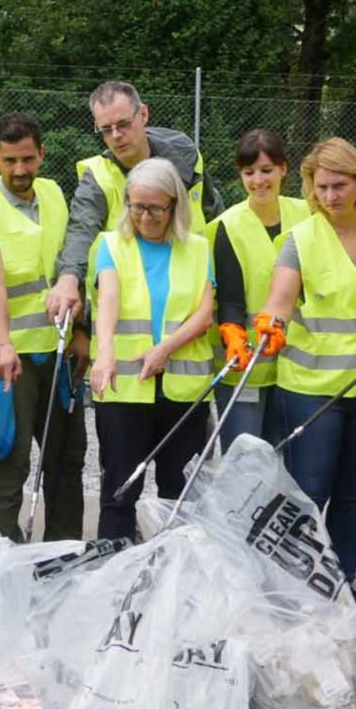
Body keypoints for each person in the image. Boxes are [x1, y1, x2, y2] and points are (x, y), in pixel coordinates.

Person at [255, 137, 356, 634]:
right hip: (312, 385)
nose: (332, 195)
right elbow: (280, 298)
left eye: (340, 185)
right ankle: (301, 592)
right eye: (322, 187)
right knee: (311, 491)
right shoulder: (301, 238)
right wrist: (269, 324)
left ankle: (342, 591)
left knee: (355, 495)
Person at [0, 114, 85, 541]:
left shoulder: (54, 194)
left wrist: (82, 333)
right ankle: (3, 554)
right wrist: (3, 345)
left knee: (67, 458)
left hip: (58, 352)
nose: (20, 170)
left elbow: (71, 265)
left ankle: (64, 548)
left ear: (42, 154)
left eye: (29, 159)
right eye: (11, 160)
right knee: (10, 461)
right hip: (10, 360)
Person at [86, 159, 216, 540]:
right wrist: (105, 351)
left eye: (155, 208)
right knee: (120, 488)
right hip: (125, 389)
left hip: (182, 391)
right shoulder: (111, 245)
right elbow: (108, 299)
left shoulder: (197, 248)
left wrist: (165, 349)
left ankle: (173, 571)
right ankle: (115, 562)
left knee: (179, 493)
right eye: (136, 206)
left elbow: (204, 314)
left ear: (174, 205)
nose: (144, 216)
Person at [45, 81, 222, 336]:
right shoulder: (98, 176)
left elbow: (213, 212)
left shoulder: (187, 157)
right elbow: (81, 231)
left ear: (144, 114)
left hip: (194, 313)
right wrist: (68, 279)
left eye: (123, 124)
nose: (116, 135)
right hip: (131, 323)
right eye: (106, 130)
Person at [206, 129, 309, 448]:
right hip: (245, 363)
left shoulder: (307, 215)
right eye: (249, 172)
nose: (258, 180)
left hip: (297, 365)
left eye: (266, 170)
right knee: (244, 459)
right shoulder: (227, 226)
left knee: (285, 460)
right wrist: (233, 333)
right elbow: (230, 297)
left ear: (283, 169)